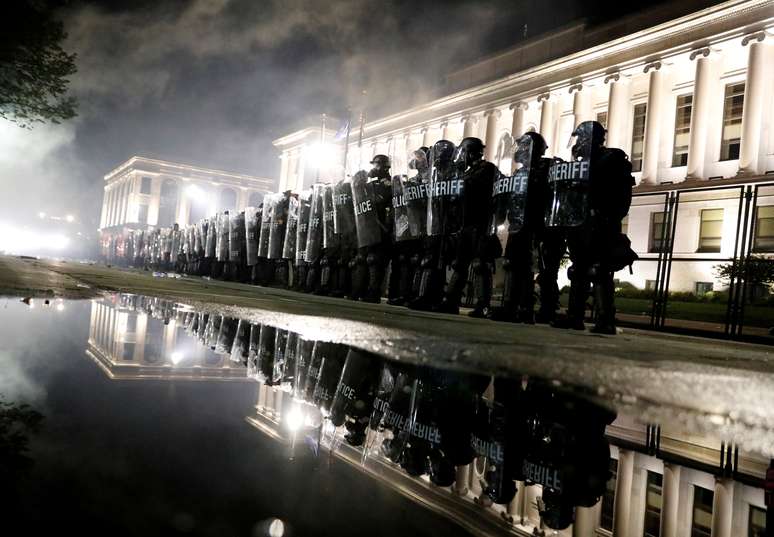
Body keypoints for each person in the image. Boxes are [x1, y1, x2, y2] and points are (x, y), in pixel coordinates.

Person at [549, 121, 635, 334]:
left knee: (600, 271)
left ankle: (606, 319)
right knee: (578, 271)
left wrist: (606, 215)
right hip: (579, 223)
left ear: (590, 139)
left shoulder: (611, 158)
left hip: (600, 224)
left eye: (580, 138)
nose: (577, 143)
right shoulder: (582, 164)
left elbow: (620, 194)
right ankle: (575, 316)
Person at [489, 132, 551, 323]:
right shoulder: (519, 173)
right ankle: (510, 306)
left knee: (526, 267)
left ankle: (525, 309)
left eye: (524, 146)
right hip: (516, 225)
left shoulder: (545, 170)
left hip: (533, 225)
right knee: (512, 264)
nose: (520, 151)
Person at [436, 137, 499, 316]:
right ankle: (451, 301)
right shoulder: (467, 171)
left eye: (463, 152)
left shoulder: (486, 169)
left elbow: (472, 188)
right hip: (464, 224)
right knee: (459, 265)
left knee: (480, 265)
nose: (461, 156)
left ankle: (483, 305)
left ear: (472, 152)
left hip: (481, 224)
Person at [409, 140, 457, 312]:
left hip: (446, 224)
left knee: (436, 262)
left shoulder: (453, 173)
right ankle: (424, 295)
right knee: (429, 261)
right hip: (432, 223)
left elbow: (455, 199)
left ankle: (429, 297)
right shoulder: (434, 174)